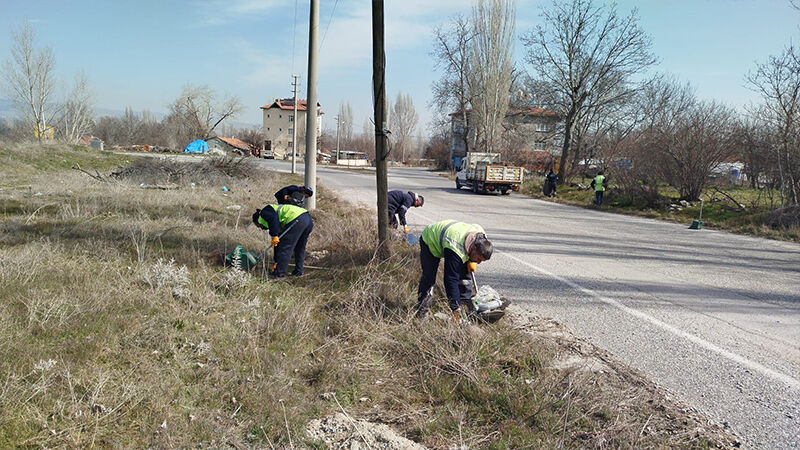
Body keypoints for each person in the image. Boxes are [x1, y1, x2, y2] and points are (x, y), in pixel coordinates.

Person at [416, 220, 493, 322]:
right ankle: (423, 310)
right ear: (474, 249)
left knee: (465, 278)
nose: (478, 263)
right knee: (429, 278)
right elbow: (450, 280)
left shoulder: (481, 236)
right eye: (478, 259)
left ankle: (467, 306)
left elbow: (465, 274)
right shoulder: (455, 248)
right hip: (431, 239)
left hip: (457, 240)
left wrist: (472, 260)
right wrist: (455, 307)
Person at [252, 204, 314, 277]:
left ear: (258, 221)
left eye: (259, 226)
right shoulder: (277, 220)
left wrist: (274, 235)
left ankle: (279, 273)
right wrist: (276, 261)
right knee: (300, 247)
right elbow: (278, 244)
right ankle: (298, 271)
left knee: (286, 248)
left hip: (296, 219)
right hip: (307, 219)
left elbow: (273, 219)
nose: (262, 228)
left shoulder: (264, 213)